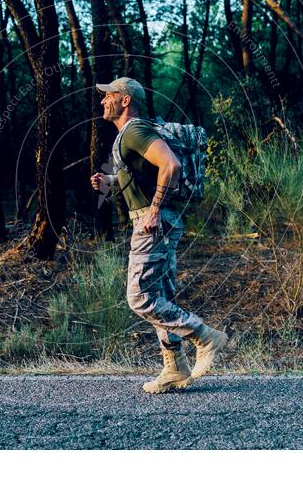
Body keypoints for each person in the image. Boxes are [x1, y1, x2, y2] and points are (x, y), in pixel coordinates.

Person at [90, 77, 228, 394]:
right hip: (158, 222)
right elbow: (139, 180)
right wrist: (107, 184)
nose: (102, 101)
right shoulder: (126, 136)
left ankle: (205, 336)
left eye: (108, 95)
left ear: (126, 100)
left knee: (140, 297)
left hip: (153, 224)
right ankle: (175, 369)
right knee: (160, 299)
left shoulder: (136, 130)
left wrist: (154, 209)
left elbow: (171, 165)